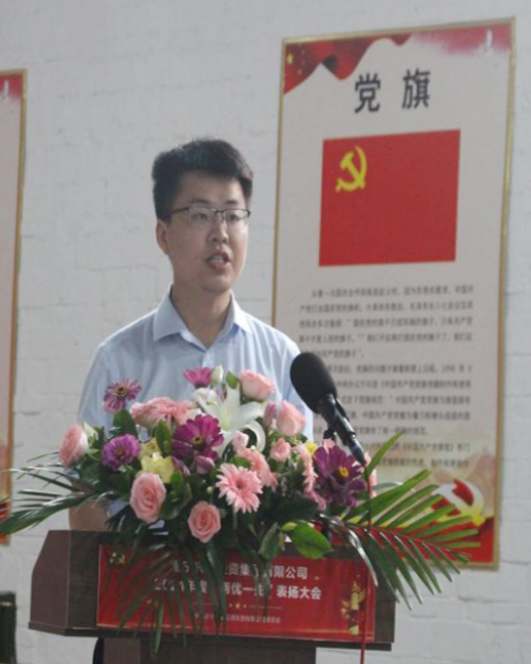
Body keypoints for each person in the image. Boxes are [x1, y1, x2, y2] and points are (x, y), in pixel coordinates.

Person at [72, 138, 312, 529]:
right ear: (163, 235)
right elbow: (84, 505)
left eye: (233, 215)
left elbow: (302, 499)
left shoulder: (282, 358)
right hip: (141, 569)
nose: (221, 233)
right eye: (201, 215)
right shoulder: (118, 360)